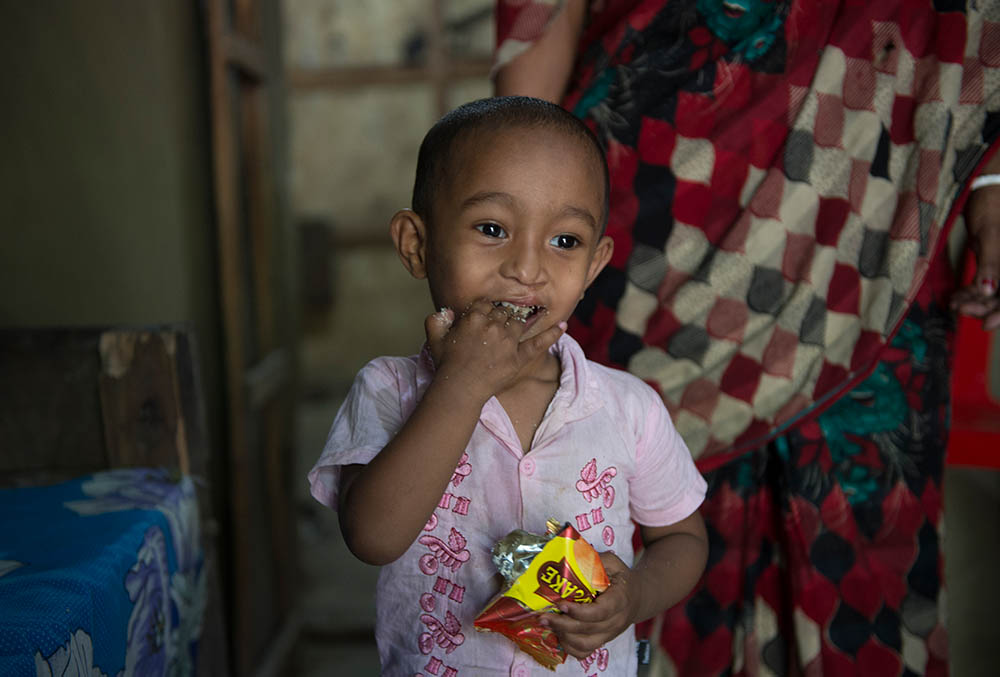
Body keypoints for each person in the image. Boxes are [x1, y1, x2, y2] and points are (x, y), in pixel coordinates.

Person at [493, 0, 1000, 674]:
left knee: (861, 557)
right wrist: (516, 228)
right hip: (655, 233)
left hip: (873, 234)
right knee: (583, 526)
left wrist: (991, 183)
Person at [308, 96, 709, 676]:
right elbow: (372, 537)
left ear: (594, 266)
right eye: (492, 229)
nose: (527, 267)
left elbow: (682, 540)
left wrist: (635, 598)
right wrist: (462, 386)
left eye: (564, 241)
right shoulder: (388, 389)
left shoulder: (628, 409)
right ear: (416, 246)